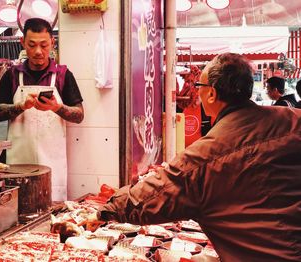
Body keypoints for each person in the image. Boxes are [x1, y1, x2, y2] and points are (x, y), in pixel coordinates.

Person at [83, 53, 301, 261]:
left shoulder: (207, 154)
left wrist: (105, 212)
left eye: (199, 86)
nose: (197, 92)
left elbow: (154, 195)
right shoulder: (293, 120)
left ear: (212, 93)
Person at [0, 18, 84, 201]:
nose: (38, 51)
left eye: (44, 45)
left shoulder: (63, 75)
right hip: (18, 164)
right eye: (32, 45)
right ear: (22, 43)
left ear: (52, 42)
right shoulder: (12, 75)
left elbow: (79, 115)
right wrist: (20, 106)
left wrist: (57, 107)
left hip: (53, 165)